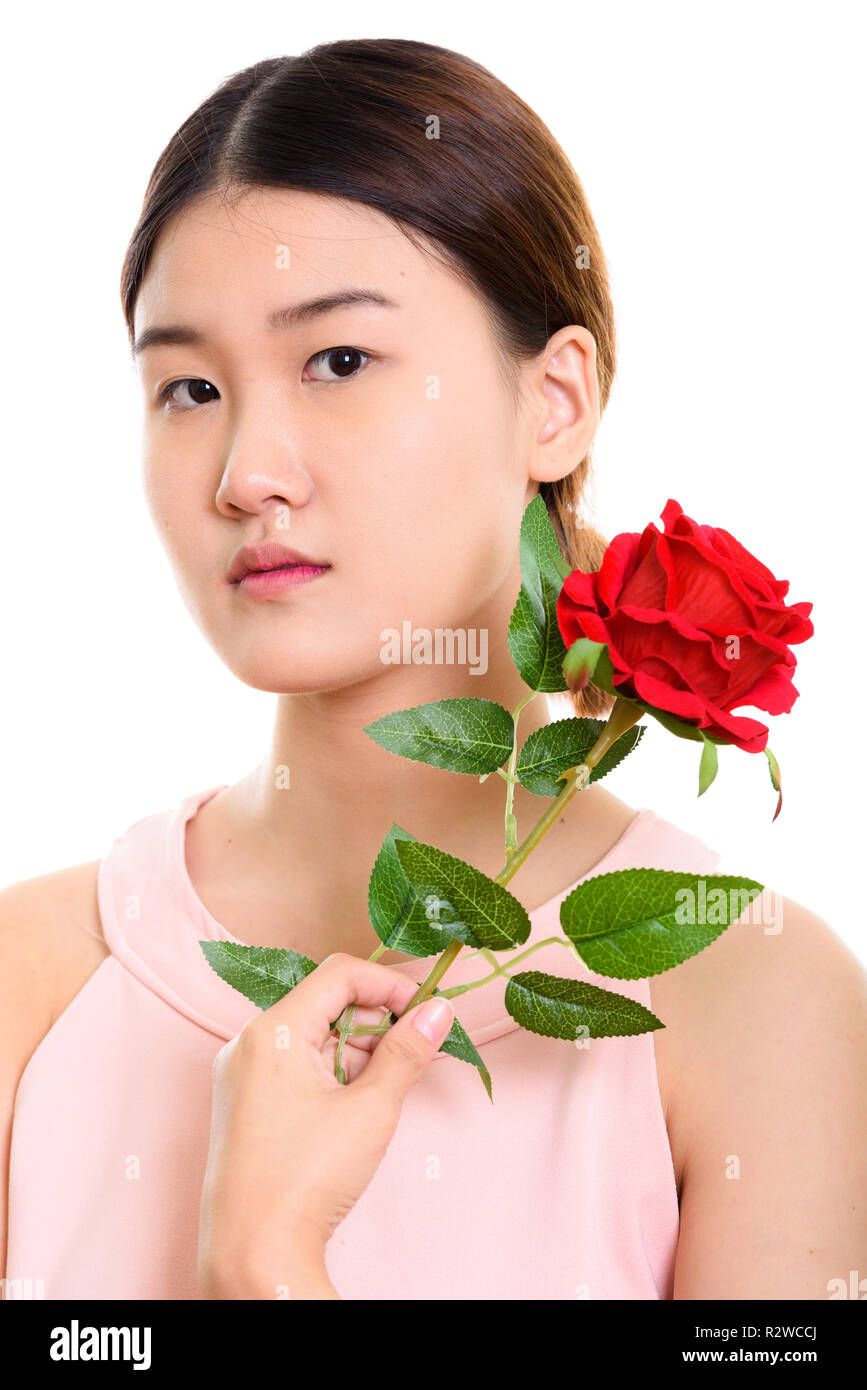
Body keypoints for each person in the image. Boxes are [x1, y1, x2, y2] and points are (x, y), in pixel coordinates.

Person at [2, 39, 864, 1302]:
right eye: (187, 387)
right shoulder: (34, 979)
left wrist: (265, 1265)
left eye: (340, 362)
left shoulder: (757, 1002)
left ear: (556, 400)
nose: (248, 472)